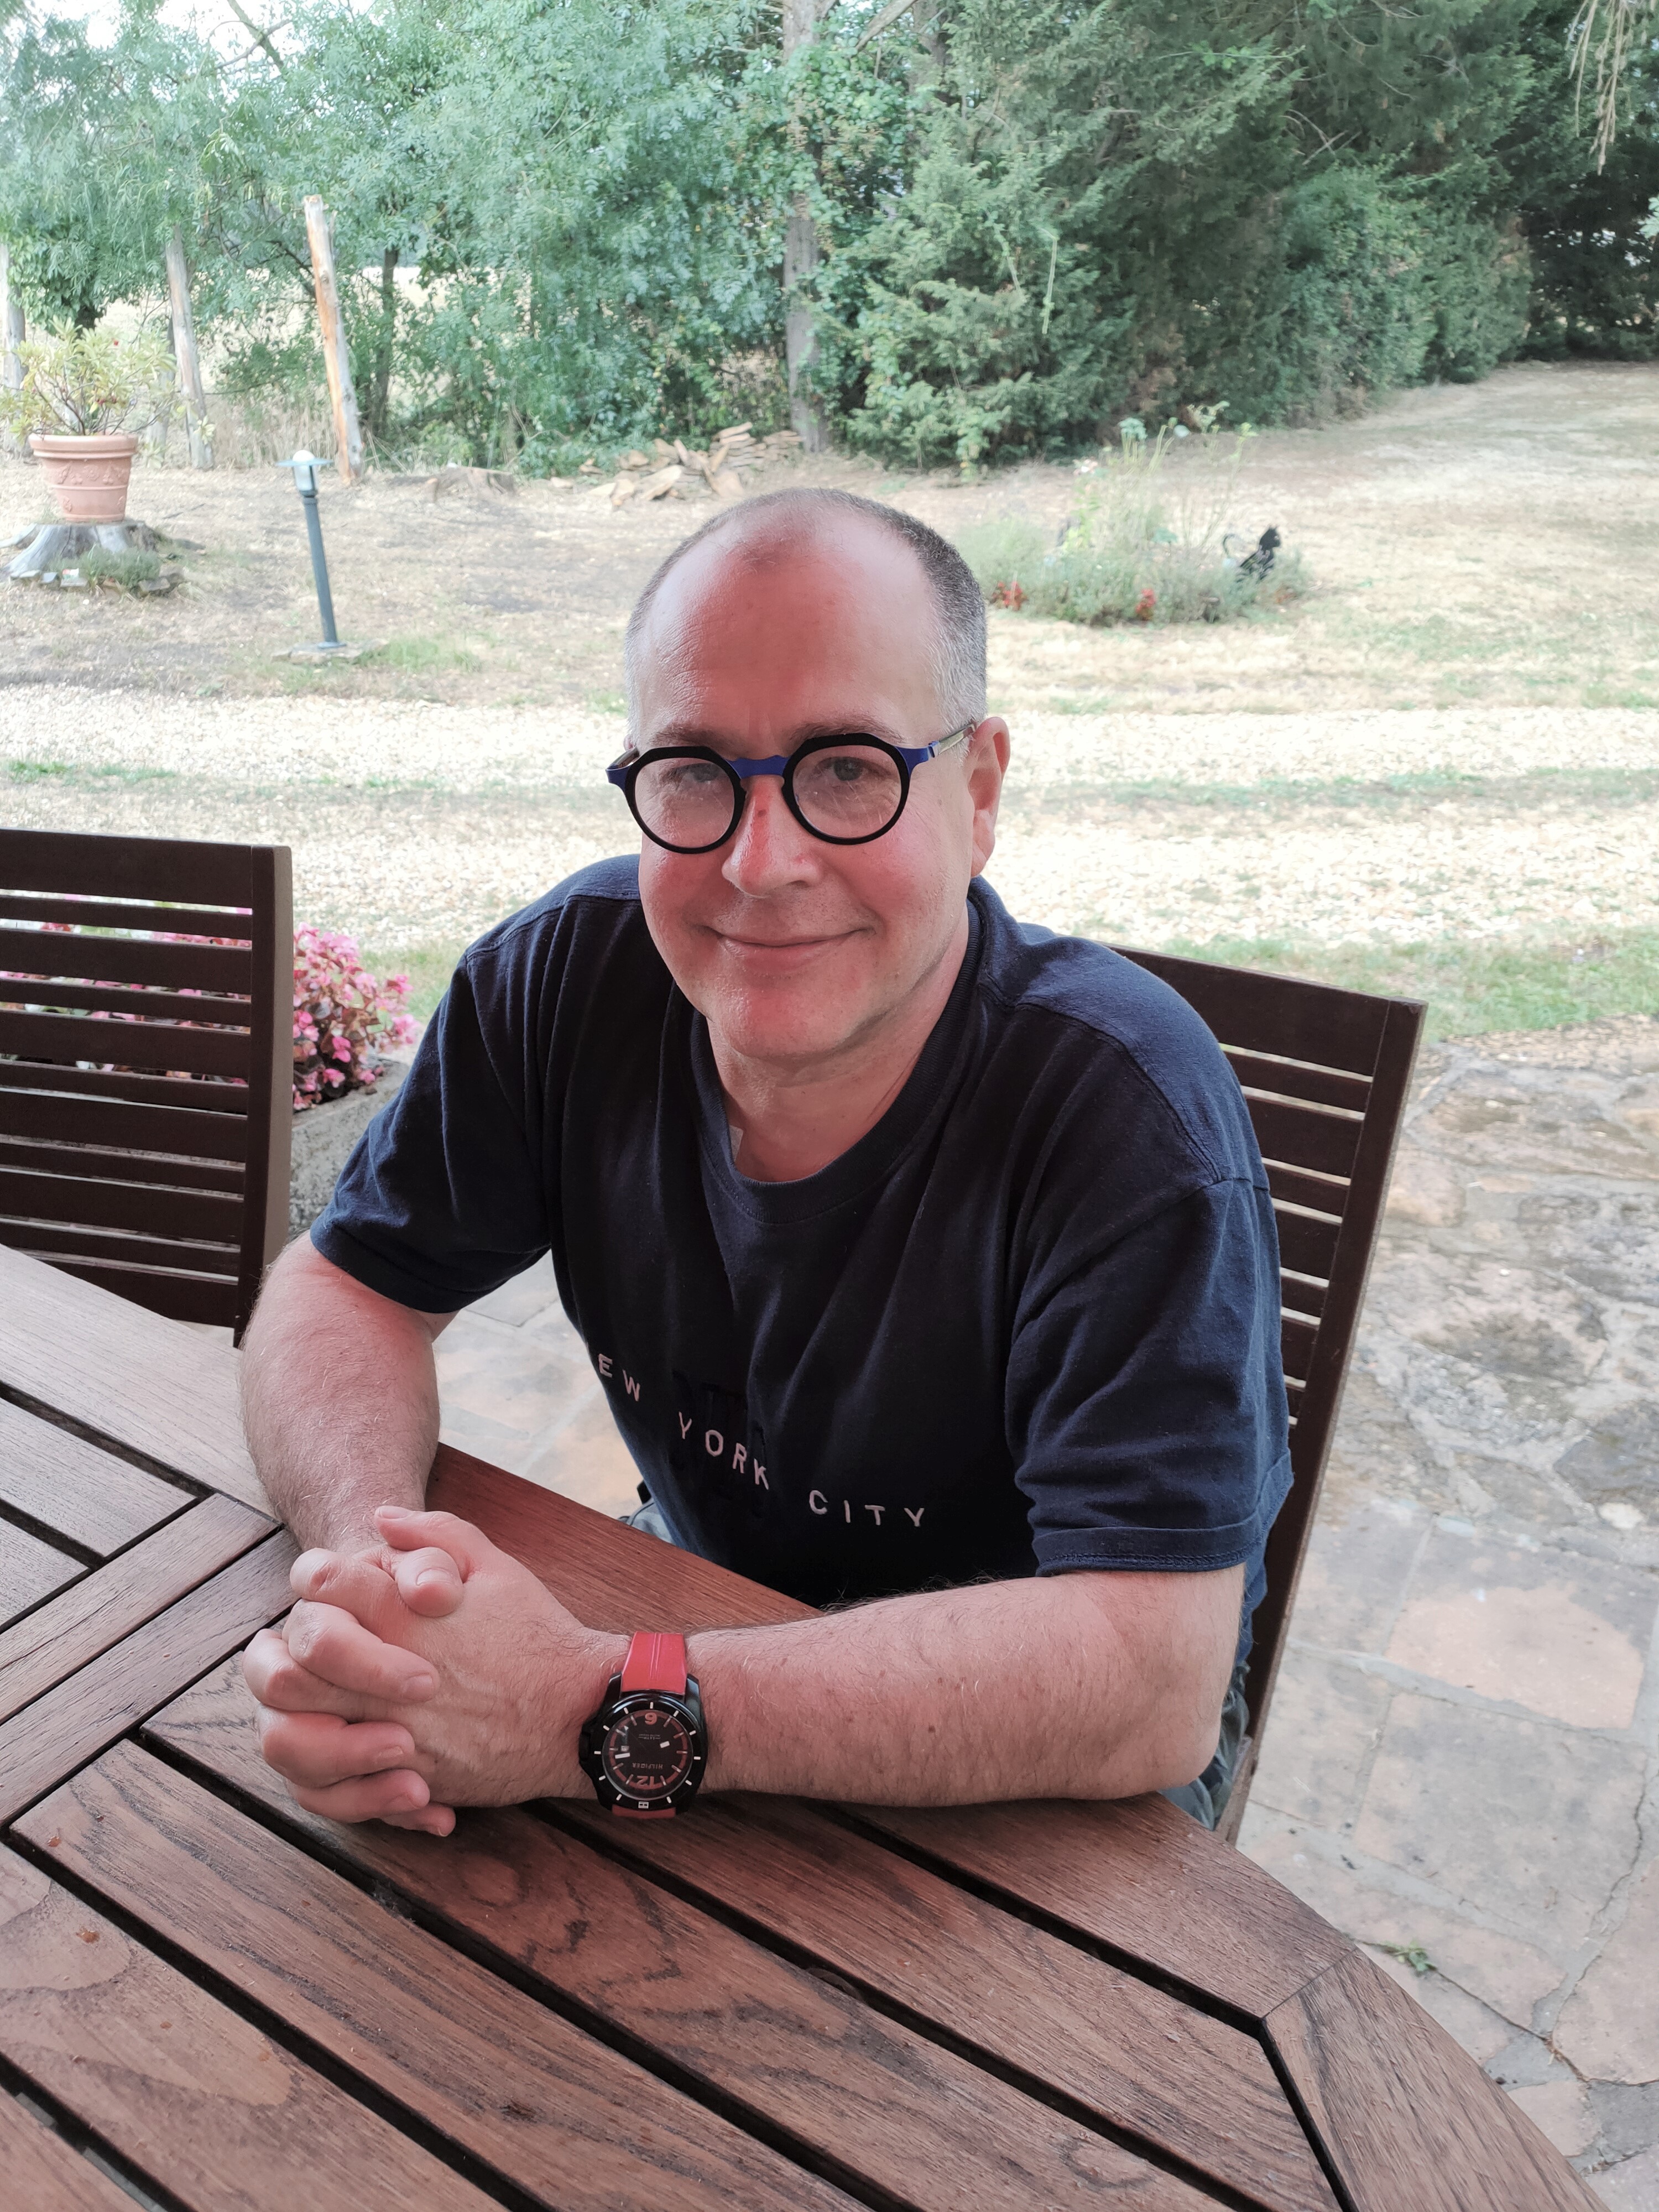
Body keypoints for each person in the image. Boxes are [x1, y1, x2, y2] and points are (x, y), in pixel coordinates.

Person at [240, 488, 1290, 1839]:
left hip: (1050, 1753)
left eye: (845, 766)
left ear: (977, 792)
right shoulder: (565, 980)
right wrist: (373, 1591)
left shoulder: (1126, 1114)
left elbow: (1149, 1678)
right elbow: (346, 1289)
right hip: (695, 1613)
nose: (760, 860)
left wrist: (582, 1705)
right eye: (692, 769)